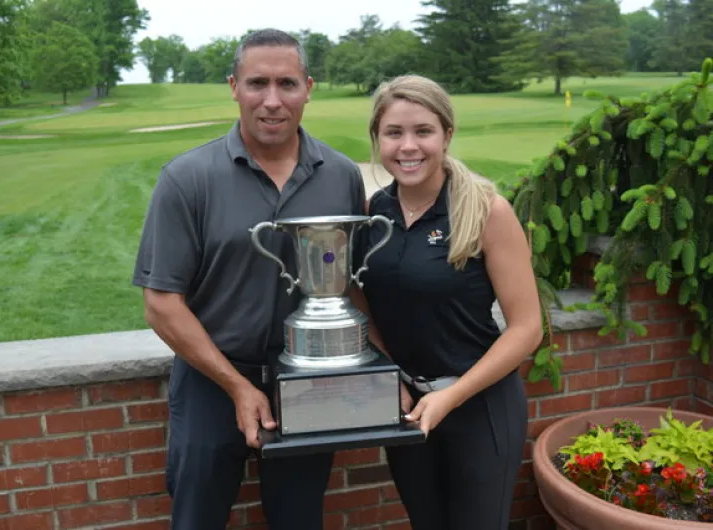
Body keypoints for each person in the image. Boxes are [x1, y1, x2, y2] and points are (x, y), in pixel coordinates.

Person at [131, 29, 366, 530]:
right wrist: (238, 387)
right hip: (211, 381)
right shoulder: (187, 178)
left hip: (307, 379)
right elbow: (161, 303)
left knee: (299, 519)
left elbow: (354, 287)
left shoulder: (342, 176)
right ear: (234, 86)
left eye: (287, 83)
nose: (273, 101)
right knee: (197, 518)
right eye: (258, 83)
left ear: (309, 87)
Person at [352, 75, 543, 529]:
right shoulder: (372, 213)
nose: (408, 146)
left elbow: (527, 328)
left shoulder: (485, 210)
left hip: (480, 407)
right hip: (406, 407)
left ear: (447, 135)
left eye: (423, 131)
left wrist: (451, 396)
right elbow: (358, 298)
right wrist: (386, 373)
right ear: (377, 139)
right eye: (393, 133)